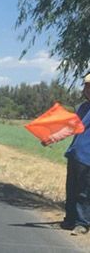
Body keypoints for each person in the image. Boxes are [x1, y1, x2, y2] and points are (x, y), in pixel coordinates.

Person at [62, 73, 90, 235]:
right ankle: (70, 219)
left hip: (88, 156)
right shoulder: (82, 107)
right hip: (75, 153)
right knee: (71, 188)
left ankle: (82, 222)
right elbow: (69, 127)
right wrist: (49, 137)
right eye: (86, 86)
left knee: (84, 191)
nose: (87, 89)